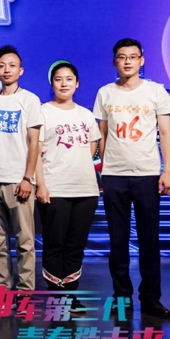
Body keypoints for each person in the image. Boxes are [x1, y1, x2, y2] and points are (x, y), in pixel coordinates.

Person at [94, 38, 170, 318]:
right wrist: (102, 171)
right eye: (122, 57)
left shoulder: (155, 91)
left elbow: (165, 133)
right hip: (114, 175)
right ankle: (121, 297)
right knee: (117, 240)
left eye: (132, 57)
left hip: (147, 175)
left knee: (149, 239)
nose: (127, 61)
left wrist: (167, 171)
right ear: (114, 61)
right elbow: (102, 135)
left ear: (142, 60)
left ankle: (150, 298)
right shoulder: (105, 93)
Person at [35, 61, 101, 312]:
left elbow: (92, 148)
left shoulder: (85, 114)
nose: (64, 84)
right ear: (52, 84)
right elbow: (35, 152)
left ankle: (71, 295)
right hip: (55, 188)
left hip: (86, 190)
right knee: (55, 243)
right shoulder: (42, 112)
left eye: (69, 79)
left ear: (77, 83)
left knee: (76, 245)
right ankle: (57, 297)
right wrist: (41, 185)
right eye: (58, 79)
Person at [0, 45, 41, 309]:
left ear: (21, 70)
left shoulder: (29, 100)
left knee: (25, 241)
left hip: (19, 181)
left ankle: (25, 293)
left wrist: (28, 178)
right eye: (1, 65)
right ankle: (3, 292)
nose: (6, 70)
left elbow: (34, 143)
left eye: (12, 65)